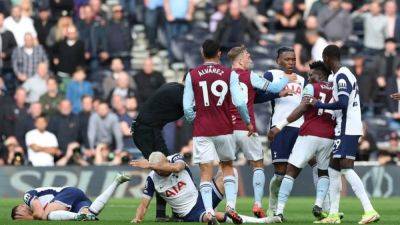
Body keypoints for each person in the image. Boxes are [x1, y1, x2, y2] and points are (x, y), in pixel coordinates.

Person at [183, 39, 252, 224]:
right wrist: (248, 122)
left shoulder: (193, 74)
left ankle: (209, 213)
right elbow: (239, 102)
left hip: (202, 130)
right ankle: (230, 207)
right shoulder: (229, 73)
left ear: (202, 52)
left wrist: (194, 119)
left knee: (206, 172)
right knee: (227, 167)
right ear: (219, 54)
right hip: (224, 128)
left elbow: (187, 109)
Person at [309, 45, 379, 224]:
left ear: (326, 58)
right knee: (333, 169)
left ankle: (369, 209)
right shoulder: (345, 74)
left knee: (346, 168)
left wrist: (320, 105)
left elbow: (343, 102)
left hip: (347, 127)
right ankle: (333, 214)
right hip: (346, 126)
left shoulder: (341, 75)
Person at [227, 45, 290, 218]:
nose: (250, 58)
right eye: (247, 56)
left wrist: (278, 95)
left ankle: (230, 206)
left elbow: (254, 98)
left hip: (226, 130)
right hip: (247, 129)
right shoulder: (250, 76)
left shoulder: (225, 76)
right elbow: (275, 87)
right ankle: (257, 204)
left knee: (226, 167)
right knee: (257, 164)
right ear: (240, 59)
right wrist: (287, 76)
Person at [130, 152, 282, 224]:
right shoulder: (151, 179)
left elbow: (176, 168)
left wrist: (150, 164)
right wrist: (137, 219)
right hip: (190, 212)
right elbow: (144, 205)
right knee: (215, 217)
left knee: (230, 173)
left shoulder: (175, 159)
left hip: (202, 197)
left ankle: (231, 207)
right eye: (158, 170)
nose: (161, 172)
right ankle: (264, 222)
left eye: (162, 167)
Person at [267, 61, 334, 222]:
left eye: (312, 75)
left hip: (309, 133)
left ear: (322, 75)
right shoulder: (336, 89)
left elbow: (302, 108)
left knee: (290, 171)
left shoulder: (310, 88)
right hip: (328, 137)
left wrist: (280, 125)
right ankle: (320, 206)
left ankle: (279, 211)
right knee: (322, 171)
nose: (309, 77)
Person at [255, 47, 305, 217]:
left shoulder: (302, 80)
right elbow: (256, 96)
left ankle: (325, 208)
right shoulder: (272, 75)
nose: (291, 62)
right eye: (287, 59)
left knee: (316, 165)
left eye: (293, 59)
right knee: (280, 173)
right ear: (278, 61)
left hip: (301, 129)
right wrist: (279, 92)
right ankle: (273, 207)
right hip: (280, 128)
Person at [10, 173, 130, 220]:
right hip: (75, 202)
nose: (22, 217)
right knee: (91, 214)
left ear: (21, 206)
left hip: (67, 193)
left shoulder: (28, 196)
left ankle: (77, 216)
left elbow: (39, 214)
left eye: (19, 214)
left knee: (46, 216)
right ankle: (117, 182)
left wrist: (30, 218)